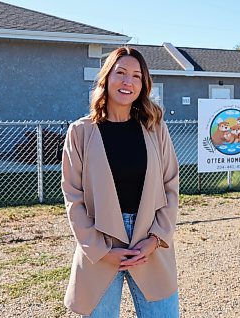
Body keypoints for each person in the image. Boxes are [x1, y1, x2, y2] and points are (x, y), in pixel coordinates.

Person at [61, 47, 179, 317]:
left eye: (136, 76)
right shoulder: (80, 132)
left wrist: (155, 239)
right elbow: (73, 197)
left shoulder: (155, 128)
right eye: (121, 73)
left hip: (148, 240)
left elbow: (170, 186)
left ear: (143, 85)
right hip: (100, 243)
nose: (128, 82)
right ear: (106, 78)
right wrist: (101, 249)